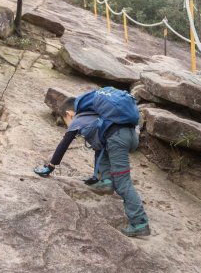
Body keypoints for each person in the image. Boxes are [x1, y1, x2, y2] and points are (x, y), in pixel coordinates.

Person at [34, 97, 151, 237]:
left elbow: (63, 145)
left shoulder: (77, 120)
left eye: (65, 119)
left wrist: (50, 166)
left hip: (118, 138)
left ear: (70, 114)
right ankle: (105, 181)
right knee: (99, 146)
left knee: (122, 182)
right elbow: (99, 144)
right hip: (129, 135)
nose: (67, 125)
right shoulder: (96, 114)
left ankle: (140, 223)